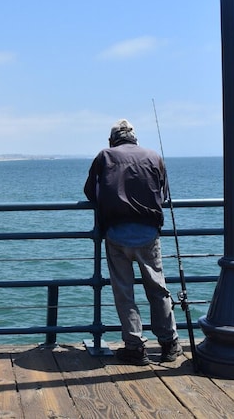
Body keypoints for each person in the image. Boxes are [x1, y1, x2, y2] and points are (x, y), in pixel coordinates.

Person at [84, 119, 183, 365]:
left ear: (112, 140)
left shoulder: (104, 157)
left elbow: (90, 192)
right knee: (158, 290)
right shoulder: (153, 156)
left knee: (123, 292)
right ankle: (169, 343)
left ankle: (134, 346)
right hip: (148, 234)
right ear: (135, 139)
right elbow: (163, 193)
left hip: (116, 234)